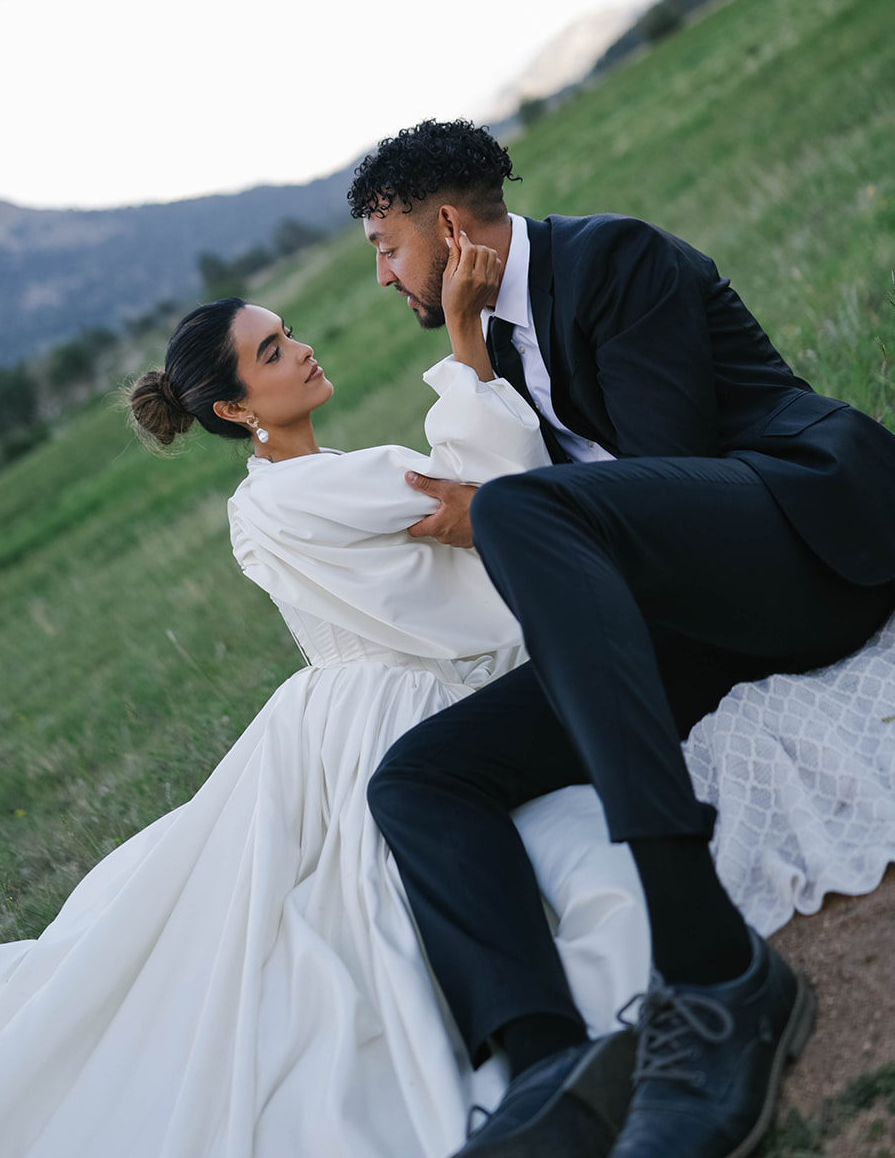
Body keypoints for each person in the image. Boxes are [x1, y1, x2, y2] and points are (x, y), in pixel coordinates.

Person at [0, 262, 652, 1158]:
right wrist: (463, 344)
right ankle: (535, 1051)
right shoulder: (333, 484)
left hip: (328, 707)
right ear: (233, 408)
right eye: (272, 351)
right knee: (360, 913)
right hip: (391, 702)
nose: (300, 349)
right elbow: (504, 494)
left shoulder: (269, 496)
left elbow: (463, 513)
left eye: (288, 332)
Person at [353, 118, 895, 1158]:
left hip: (804, 544)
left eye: (386, 248)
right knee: (417, 778)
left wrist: (504, 506)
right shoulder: (495, 333)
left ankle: (711, 970)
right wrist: (470, 359)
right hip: (688, 617)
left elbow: (668, 471)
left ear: (450, 226)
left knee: (515, 510)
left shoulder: (615, 259)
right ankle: (549, 1064)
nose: (382, 275)